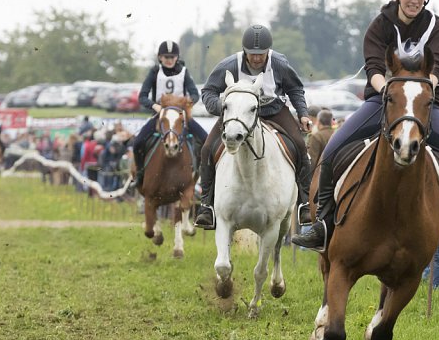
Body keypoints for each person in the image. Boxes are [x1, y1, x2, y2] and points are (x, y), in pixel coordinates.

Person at [292, 0, 439, 267]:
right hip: (381, 101)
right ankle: (323, 225)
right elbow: (373, 69)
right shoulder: (380, 25)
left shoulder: (437, 27)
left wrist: (418, 95)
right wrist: (390, 95)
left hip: (423, 104)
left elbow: (437, 69)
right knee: (332, 150)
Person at [194, 25, 313, 230]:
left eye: (261, 54)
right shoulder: (230, 65)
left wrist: (302, 114)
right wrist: (221, 106)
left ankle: (305, 204)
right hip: (237, 114)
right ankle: (206, 206)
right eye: (252, 54)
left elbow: (295, 89)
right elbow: (208, 91)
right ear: (245, 51)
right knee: (206, 149)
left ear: (268, 51)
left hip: (273, 109)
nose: (257, 58)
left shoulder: (279, 64)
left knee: (300, 148)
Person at [131, 41, 206, 190]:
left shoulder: (184, 72)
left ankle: (202, 175)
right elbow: (142, 96)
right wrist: (156, 106)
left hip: (179, 116)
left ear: (177, 57)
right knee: (138, 142)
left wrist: (187, 103)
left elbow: (195, 94)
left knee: (205, 139)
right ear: (160, 57)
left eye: (172, 57)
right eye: (166, 57)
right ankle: (140, 174)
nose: (169, 60)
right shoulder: (154, 72)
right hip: (160, 116)